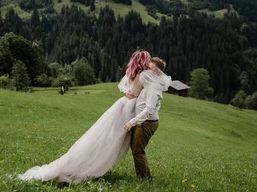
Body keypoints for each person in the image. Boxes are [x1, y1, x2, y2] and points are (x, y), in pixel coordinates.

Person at [18, 50, 151, 183]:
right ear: (144, 61)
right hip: (130, 107)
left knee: (107, 136)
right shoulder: (143, 75)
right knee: (114, 139)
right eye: (148, 59)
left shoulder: (131, 73)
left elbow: (129, 90)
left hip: (123, 104)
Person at [124, 57, 171, 179]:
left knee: (137, 151)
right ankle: (145, 176)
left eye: (149, 68)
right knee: (137, 149)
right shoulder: (149, 83)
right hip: (143, 122)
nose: (145, 71)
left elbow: (149, 109)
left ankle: (144, 179)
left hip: (147, 123)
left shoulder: (153, 87)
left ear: (156, 71)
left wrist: (132, 122)